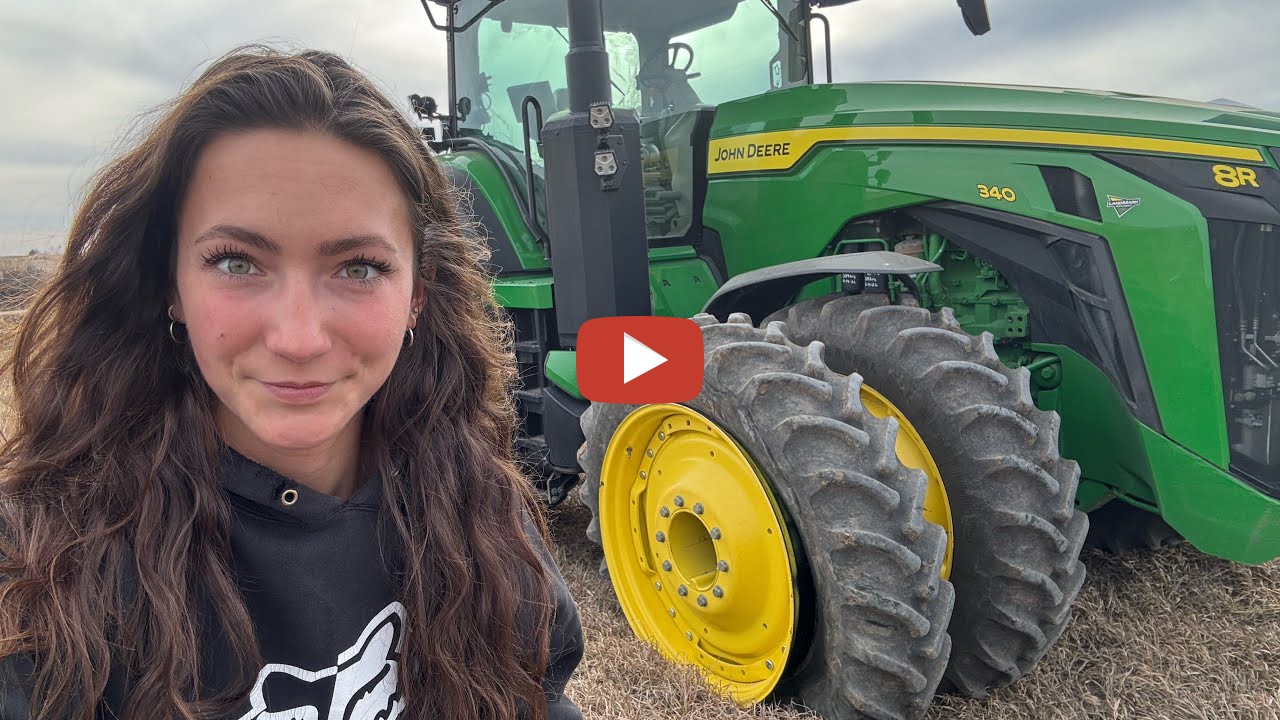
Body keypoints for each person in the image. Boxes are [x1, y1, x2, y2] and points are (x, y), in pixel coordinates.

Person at [0, 46, 584, 720]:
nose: (299, 339)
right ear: (171, 287)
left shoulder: (475, 506)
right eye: (237, 263)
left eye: (358, 268)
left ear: (418, 296)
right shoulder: (54, 566)